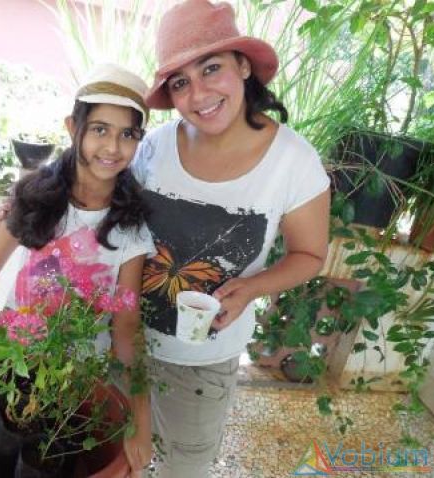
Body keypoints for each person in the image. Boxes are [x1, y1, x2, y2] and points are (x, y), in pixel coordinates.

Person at [0, 64, 155, 477]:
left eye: (128, 134)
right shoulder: (39, 198)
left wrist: (141, 420)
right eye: (99, 129)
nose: (113, 146)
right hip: (10, 361)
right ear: (73, 127)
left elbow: (126, 326)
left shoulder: (130, 226)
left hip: (73, 382)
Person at [132, 1, 331, 476]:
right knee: (115, 457)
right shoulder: (154, 147)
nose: (198, 94)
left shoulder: (293, 161)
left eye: (211, 68)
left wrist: (252, 288)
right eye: (180, 82)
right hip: (124, 342)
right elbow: (112, 217)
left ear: (243, 65)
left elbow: (309, 254)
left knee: (183, 468)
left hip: (203, 360)